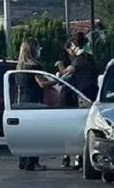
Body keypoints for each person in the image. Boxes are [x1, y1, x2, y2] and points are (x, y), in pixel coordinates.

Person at [57, 33, 99, 168]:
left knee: (78, 129)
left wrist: (59, 67)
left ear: (74, 46)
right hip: (92, 95)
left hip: (82, 96)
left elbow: (65, 74)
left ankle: (78, 158)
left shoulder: (79, 60)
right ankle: (80, 157)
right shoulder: (90, 58)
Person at [15, 38, 51, 171]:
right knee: (34, 133)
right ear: (32, 49)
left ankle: (23, 161)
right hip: (33, 103)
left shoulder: (19, 68)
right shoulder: (34, 66)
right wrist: (59, 80)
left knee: (23, 134)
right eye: (37, 47)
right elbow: (42, 83)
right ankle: (33, 162)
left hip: (20, 102)